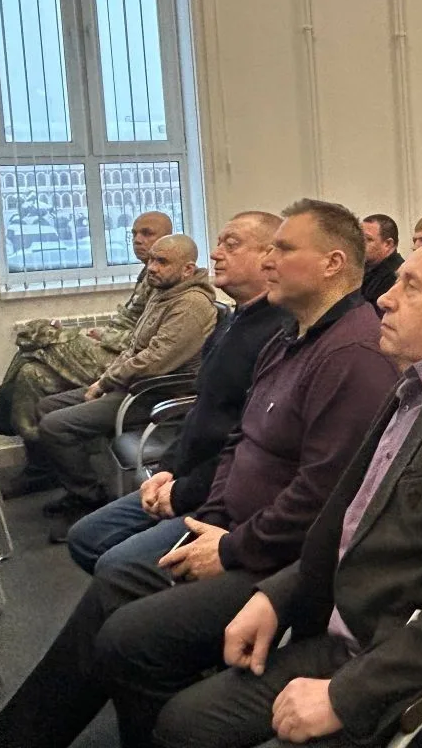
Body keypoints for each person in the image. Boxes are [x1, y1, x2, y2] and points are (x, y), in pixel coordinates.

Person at [0, 199, 401, 748]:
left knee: (128, 637)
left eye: (283, 248)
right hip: (229, 526)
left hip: (277, 558)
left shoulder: (354, 354)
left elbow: (322, 497)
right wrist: (213, 514)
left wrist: (229, 545)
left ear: (332, 263)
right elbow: (238, 438)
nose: (269, 260)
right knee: (114, 587)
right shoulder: (289, 337)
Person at [150, 236, 422, 748]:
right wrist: (277, 597)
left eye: (410, 287)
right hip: (357, 632)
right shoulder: (413, 389)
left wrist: (345, 696)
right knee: (181, 723)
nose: (385, 298)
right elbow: (352, 526)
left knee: (186, 727)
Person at [66, 212, 288, 576]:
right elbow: (201, 412)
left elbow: (248, 444)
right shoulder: (233, 322)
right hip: (185, 473)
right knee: (84, 537)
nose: (215, 253)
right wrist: (166, 469)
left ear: (270, 256)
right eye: (219, 243)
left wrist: (184, 491)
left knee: (113, 566)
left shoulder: (279, 334)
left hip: (216, 491)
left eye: (231, 245)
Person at [36, 235, 220, 538]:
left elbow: (155, 360)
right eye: (152, 259)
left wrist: (107, 382)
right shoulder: (163, 293)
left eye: (162, 261)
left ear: (187, 270)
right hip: (133, 385)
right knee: (47, 406)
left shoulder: (190, 305)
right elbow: (134, 346)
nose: (152, 267)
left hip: (156, 393)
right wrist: (105, 378)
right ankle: (84, 486)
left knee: (56, 426)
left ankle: (88, 499)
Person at [0, 211, 173, 487]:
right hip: (111, 351)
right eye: (133, 234)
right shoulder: (147, 274)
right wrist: (102, 336)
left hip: (122, 365)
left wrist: (104, 336)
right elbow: (129, 322)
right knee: (31, 373)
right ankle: (41, 469)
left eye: (147, 233)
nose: (137, 240)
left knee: (37, 334)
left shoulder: (170, 283)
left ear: (169, 238)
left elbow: (144, 342)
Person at [360, 215, 403, 310]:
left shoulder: (396, 276)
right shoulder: (365, 269)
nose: (359, 244)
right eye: (359, 238)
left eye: (368, 239)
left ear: (388, 244)